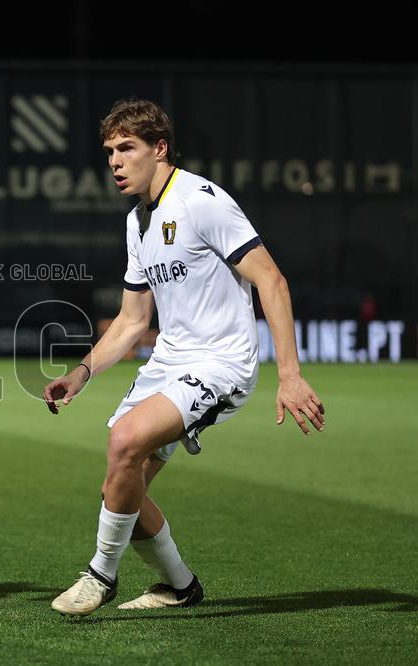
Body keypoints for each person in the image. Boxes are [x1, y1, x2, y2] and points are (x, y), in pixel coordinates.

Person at [43, 99, 325, 616]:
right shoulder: (137, 222)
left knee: (123, 441)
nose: (115, 162)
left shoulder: (201, 200)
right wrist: (82, 372)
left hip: (221, 363)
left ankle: (100, 575)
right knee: (121, 487)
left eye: (127, 148)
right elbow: (131, 320)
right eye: (109, 151)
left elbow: (271, 280)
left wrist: (290, 374)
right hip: (169, 364)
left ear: (160, 148)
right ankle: (179, 586)